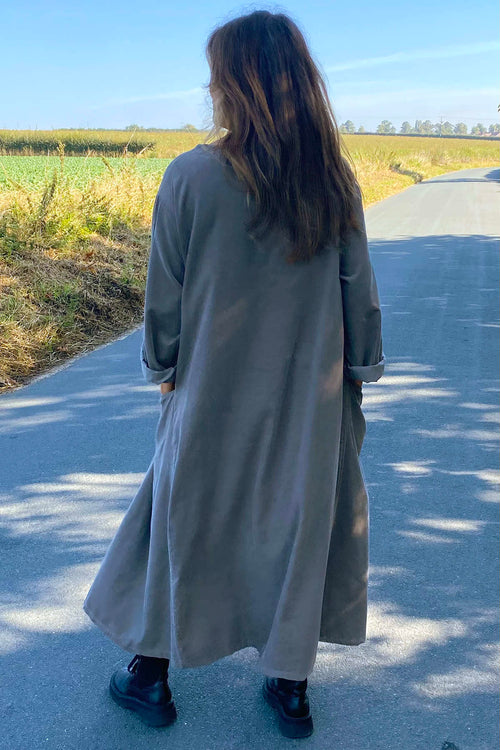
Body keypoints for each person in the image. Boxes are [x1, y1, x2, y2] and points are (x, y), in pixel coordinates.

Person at [82, 9, 385, 740]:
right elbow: (359, 290)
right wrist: (361, 370)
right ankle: (290, 686)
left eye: (216, 76)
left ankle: (150, 674)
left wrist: (163, 366)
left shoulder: (190, 175)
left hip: (210, 387)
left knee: (183, 512)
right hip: (310, 395)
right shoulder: (333, 182)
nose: (211, 88)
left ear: (234, 84)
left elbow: (166, 290)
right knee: (299, 522)